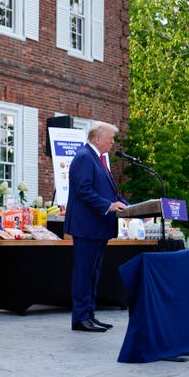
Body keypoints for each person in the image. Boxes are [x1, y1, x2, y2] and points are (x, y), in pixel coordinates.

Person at [64, 121, 128, 332]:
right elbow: (84, 190)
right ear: (97, 138)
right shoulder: (84, 158)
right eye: (110, 138)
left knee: (93, 274)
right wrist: (108, 206)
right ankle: (80, 318)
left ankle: (89, 315)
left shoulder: (99, 159)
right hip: (87, 227)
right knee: (84, 273)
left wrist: (131, 208)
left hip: (98, 227)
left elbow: (111, 194)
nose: (112, 143)